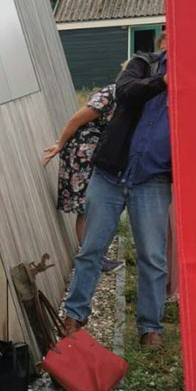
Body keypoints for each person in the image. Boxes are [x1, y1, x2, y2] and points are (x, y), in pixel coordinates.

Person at [63, 30, 171, 348]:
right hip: (110, 175)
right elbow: (125, 93)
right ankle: (74, 315)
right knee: (91, 249)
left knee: (152, 256)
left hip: (153, 179)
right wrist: (162, 81)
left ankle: (150, 328)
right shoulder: (141, 64)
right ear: (164, 44)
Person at [42, 84, 122, 273]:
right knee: (86, 206)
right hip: (83, 155)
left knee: (91, 206)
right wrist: (59, 144)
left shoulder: (129, 94)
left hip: (96, 154)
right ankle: (92, 259)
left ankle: (95, 257)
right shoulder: (110, 94)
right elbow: (75, 120)